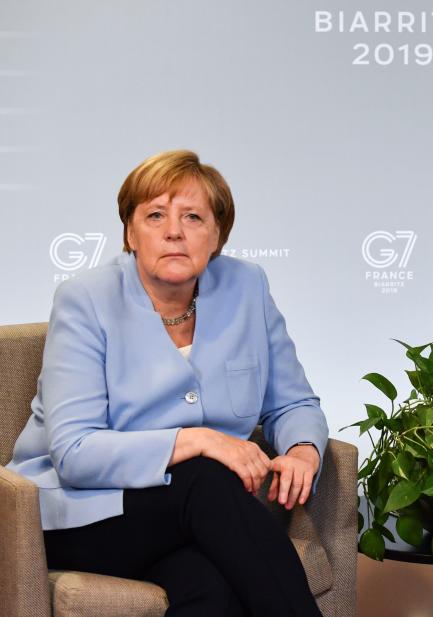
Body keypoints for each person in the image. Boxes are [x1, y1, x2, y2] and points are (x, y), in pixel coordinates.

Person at [6, 150, 329, 617]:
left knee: (212, 590)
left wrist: (303, 449)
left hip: (191, 518)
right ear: (130, 234)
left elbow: (294, 402)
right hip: (81, 513)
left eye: (193, 217)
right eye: (155, 215)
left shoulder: (247, 286)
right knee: (205, 478)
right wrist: (200, 440)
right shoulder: (85, 301)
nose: (174, 231)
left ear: (217, 234)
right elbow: (75, 453)